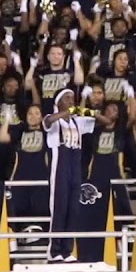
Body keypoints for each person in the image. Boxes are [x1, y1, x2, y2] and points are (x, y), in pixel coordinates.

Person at [43, 88, 97, 262]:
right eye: (66, 98)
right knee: (59, 207)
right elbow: (48, 121)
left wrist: (83, 105)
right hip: (60, 167)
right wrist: (65, 112)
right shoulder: (53, 119)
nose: (70, 101)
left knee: (73, 209)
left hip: (75, 168)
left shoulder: (77, 122)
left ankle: (67, 250)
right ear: (58, 102)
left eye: (72, 98)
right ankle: (54, 250)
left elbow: (99, 117)